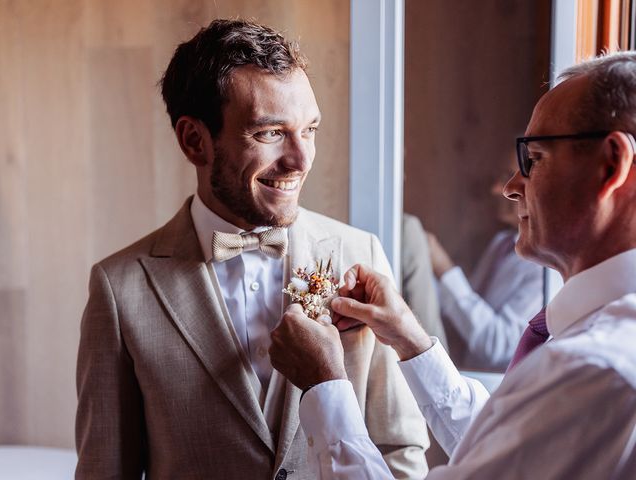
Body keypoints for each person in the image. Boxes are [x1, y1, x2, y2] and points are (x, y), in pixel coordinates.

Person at [75, 19, 429, 479]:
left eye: (310, 130)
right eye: (270, 133)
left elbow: (398, 448)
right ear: (194, 141)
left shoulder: (359, 253)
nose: (301, 160)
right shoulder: (120, 289)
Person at [269, 52, 636, 479]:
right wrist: (412, 343)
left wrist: (326, 388)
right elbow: (512, 452)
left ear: (611, 164)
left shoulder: (596, 372)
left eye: (533, 159)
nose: (512, 187)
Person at [426, 159, 543, 371]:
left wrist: (444, 268)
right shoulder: (501, 244)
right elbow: (459, 307)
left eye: (508, 176)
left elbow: (497, 347)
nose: (496, 189)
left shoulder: (543, 267)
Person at [401, 213, 448, 348]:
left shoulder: (407, 229)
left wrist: (446, 269)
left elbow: (494, 346)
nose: (496, 190)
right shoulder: (498, 243)